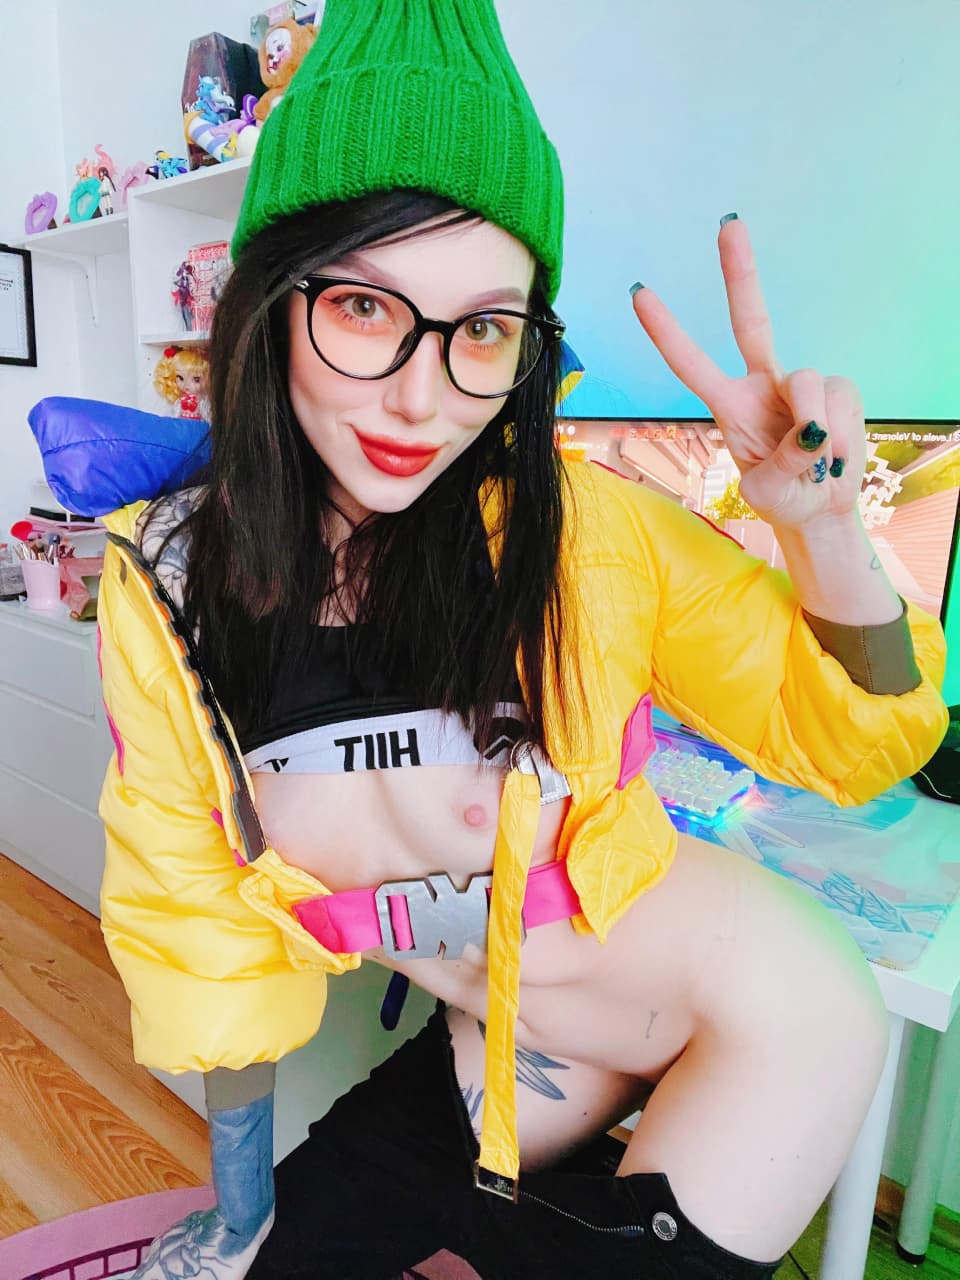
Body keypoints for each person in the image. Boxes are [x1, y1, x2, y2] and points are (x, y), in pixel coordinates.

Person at [77, 2, 948, 1278]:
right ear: (270, 297)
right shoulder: (168, 582)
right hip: (511, 1044)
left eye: (484, 328)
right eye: (365, 306)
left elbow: (863, 741)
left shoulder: (588, 536)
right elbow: (191, 914)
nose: (421, 396)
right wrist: (236, 1210)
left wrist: (824, 535)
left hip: (768, 1023)